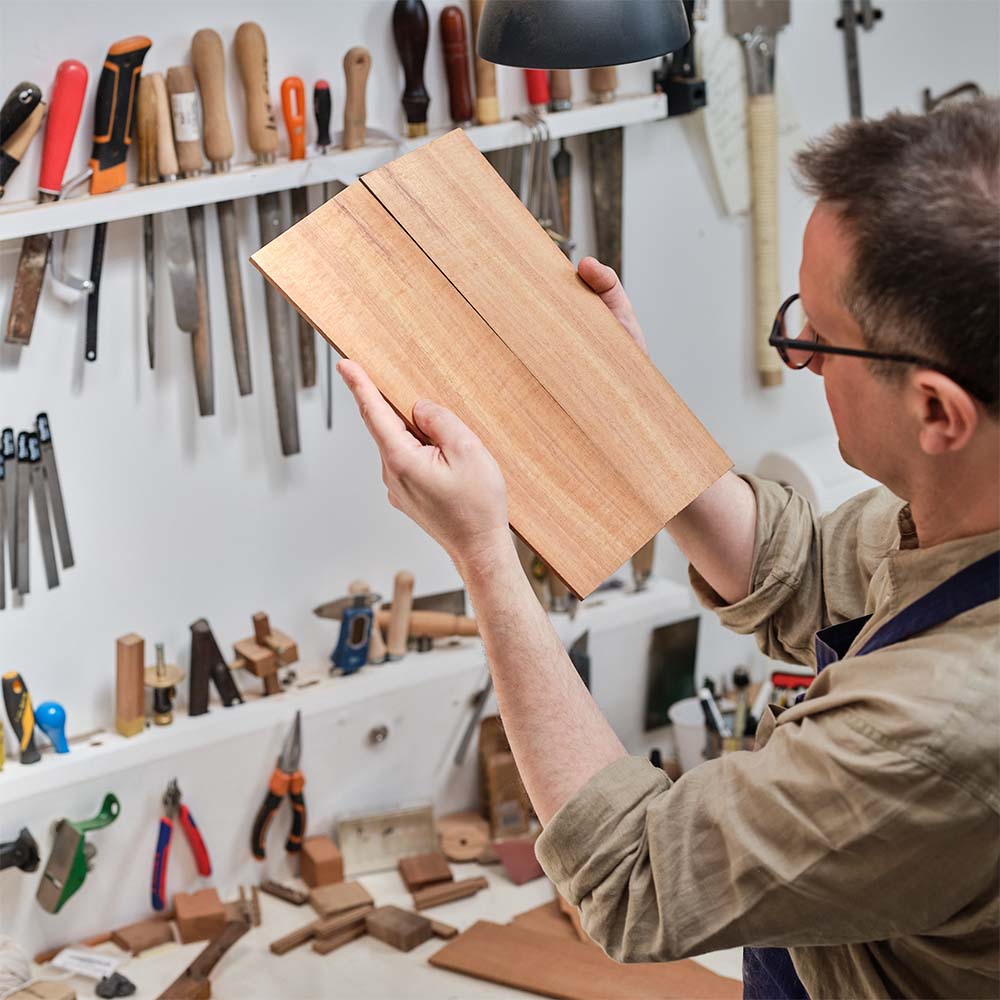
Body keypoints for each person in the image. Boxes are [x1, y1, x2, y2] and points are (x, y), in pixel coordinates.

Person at [339, 98, 999, 999]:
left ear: (936, 412)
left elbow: (634, 877)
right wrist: (626, 409)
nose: (798, 360)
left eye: (816, 338)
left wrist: (486, 557)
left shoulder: (943, 731)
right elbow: (801, 570)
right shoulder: (968, 513)